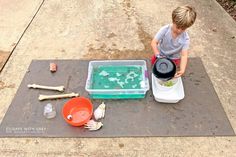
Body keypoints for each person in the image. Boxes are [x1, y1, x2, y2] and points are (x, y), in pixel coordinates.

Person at [151, 5, 197, 78]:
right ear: (173, 21)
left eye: (183, 29)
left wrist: (182, 70)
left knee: (170, 73)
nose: (179, 31)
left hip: (174, 58)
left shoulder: (185, 39)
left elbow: (184, 55)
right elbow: (154, 42)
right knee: (156, 67)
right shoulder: (165, 30)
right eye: (178, 27)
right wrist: (158, 55)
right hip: (160, 54)